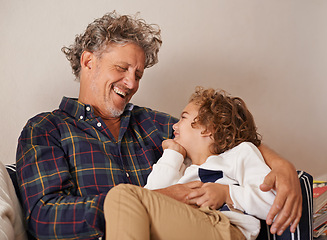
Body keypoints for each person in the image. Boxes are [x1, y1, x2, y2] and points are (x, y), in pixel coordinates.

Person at [15, 11, 301, 239]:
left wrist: (281, 165)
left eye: (138, 74)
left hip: (199, 228)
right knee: (123, 197)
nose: (132, 83)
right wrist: (146, 201)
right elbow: (44, 218)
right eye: (122, 68)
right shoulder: (46, 129)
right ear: (89, 62)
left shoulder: (153, 124)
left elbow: (224, 138)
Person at [103, 87, 275, 240]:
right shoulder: (182, 167)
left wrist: (226, 193)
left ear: (208, 128)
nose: (174, 126)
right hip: (187, 224)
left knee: (122, 195)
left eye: (183, 118)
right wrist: (172, 154)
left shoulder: (240, 154)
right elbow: (149, 197)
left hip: (224, 227)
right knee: (122, 200)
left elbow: (271, 203)